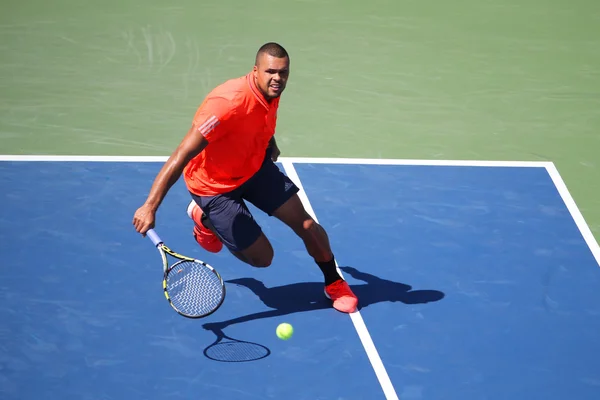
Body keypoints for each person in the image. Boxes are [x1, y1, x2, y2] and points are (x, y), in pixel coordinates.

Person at [132, 42, 358, 313]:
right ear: (255, 71)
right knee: (263, 259)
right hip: (214, 186)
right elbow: (182, 154)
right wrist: (150, 206)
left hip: (252, 167)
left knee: (307, 225)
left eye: (283, 72)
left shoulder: (272, 90)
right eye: (271, 72)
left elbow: (257, 118)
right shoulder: (226, 104)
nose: (278, 78)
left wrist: (268, 140)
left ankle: (333, 281)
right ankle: (205, 218)